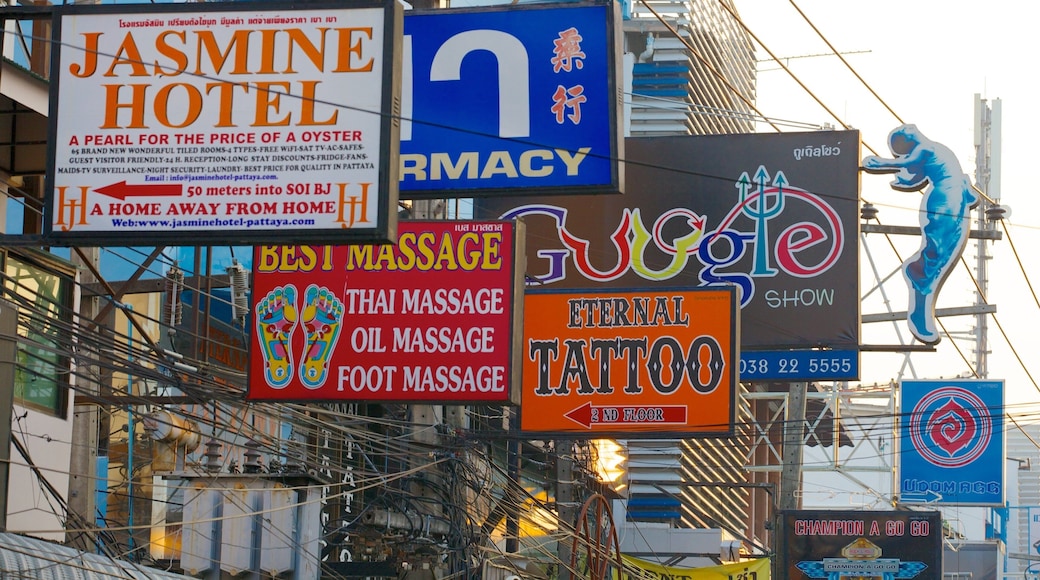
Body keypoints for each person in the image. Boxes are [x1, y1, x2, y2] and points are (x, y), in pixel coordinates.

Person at [862, 124, 979, 344]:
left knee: (946, 246)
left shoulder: (929, 149)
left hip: (950, 197)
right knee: (939, 249)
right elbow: (912, 167)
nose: (909, 128)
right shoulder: (930, 150)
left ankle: (921, 284)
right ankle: (920, 284)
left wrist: (880, 162)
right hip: (945, 198)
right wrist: (882, 164)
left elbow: (909, 165)